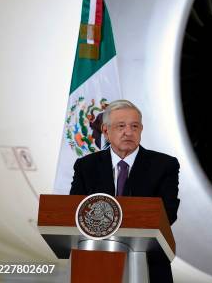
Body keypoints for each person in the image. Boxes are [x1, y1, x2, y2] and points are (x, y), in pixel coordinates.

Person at [70, 99, 180, 283]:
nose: (129, 132)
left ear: (141, 130)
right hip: (94, 263)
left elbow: (168, 213)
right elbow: (75, 211)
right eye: (121, 126)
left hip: (148, 265)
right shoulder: (86, 166)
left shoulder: (164, 165)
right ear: (105, 130)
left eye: (135, 126)